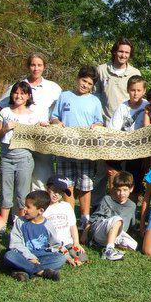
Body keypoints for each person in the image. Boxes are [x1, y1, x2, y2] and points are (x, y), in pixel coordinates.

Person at [0, 54, 62, 191]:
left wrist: (52, 123)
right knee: (20, 178)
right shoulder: (18, 86)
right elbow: (1, 106)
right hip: (19, 139)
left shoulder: (53, 87)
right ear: (28, 66)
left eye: (39, 65)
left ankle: (39, 208)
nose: (36, 68)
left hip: (42, 136)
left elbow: (59, 110)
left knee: (42, 175)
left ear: (44, 67)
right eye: (33, 65)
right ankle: (18, 211)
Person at [51, 66, 104, 229]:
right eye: (83, 81)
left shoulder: (95, 101)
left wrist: (97, 125)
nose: (85, 85)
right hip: (65, 148)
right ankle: (70, 219)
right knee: (67, 184)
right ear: (78, 79)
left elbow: (99, 121)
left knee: (85, 185)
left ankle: (84, 219)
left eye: (89, 83)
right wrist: (56, 123)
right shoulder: (64, 96)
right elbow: (54, 116)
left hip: (85, 150)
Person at [0, 81, 44, 224]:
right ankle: (3, 223)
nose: (19, 96)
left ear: (28, 96)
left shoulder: (33, 116)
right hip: (6, 157)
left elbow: (38, 136)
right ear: (12, 94)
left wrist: (43, 127)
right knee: (6, 192)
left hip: (24, 158)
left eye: (23, 93)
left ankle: (21, 221)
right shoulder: (5, 112)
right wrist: (5, 129)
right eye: (16, 92)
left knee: (22, 193)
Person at [3, 190, 66, 282]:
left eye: (28, 207)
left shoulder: (48, 225)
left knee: (60, 258)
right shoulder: (20, 222)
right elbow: (15, 244)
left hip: (41, 255)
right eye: (25, 205)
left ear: (40, 211)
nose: (24, 209)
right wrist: (30, 257)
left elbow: (55, 244)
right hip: (23, 255)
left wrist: (61, 252)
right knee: (9, 255)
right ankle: (40, 272)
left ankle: (22, 270)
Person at [106, 74, 149, 200]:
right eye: (132, 90)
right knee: (113, 174)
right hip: (122, 147)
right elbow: (113, 130)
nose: (135, 93)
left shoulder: (148, 106)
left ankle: (131, 209)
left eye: (138, 90)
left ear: (144, 91)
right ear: (128, 90)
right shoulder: (122, 107)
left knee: (134, 180)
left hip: (139, 150)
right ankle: (114, 204)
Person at [90, 171, 138, 261]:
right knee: (117, 220)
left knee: (134, 245)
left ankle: (107, 244)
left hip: (117, 235)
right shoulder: (107, 199)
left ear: (131, 189)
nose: (121, 194)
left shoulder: (132, 205)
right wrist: (85, 234)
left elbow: (132, 224)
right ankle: (108, 251)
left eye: (125, 190)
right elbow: (95, 217)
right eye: (119, 190)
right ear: (114, 188)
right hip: (101, 230)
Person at [94, 37, 141, 124]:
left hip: (127, 123)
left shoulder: (135, 73)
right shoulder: (101, 70)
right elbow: (95, 96)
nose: (123, 55)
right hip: (105, 122)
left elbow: (138, 98)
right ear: (115, 52)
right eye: (121, 51)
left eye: (127, 52)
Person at [44, 175, 88, 266]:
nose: (56, 194)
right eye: (54, 191)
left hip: (68, 243)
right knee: (60, 256)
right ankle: (66, 257)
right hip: (53, 245)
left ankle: (70, 256)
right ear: (47, 188)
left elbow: (73, 226)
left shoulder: (66, 206)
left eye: (60, 192)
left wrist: (76, 243)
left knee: (82, 258)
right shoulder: (43, 208)